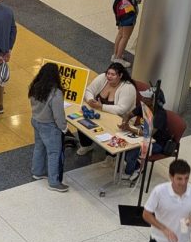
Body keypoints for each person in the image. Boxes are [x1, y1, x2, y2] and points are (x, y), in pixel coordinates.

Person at [76, 62, 137, 156]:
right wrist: (90, 100)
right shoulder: (102, 77)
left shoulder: (128, 88)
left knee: (114, 132)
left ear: (120, 75)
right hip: (99, 112)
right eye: (108, 73)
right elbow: (89, 90)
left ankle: (112, 156)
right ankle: (86, 145)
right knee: (80, 120)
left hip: (119, 119)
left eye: (113, 74)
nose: (109, 76)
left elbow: (121, 109)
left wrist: (101, 107)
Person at [29, 62, 67, 192]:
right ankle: (54, 182)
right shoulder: (56, 93)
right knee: (54, 152)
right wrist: (63, 127)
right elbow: (58, 115)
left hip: (36, 120)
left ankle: (37, 172)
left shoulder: (35, 86)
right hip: (49, 126)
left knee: (39, 147)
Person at [120, 93, 173, 184]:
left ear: (153, 101)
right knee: (123, 145)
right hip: (142, 136)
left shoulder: (160, 114)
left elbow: (148, 134)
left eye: (146, 98)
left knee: (133, 150)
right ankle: (136, 166)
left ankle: (130, 172)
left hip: (157, 143)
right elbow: (129, 114)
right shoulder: (143, 106)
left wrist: (130, 128)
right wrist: (125, 122)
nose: (142, 99)